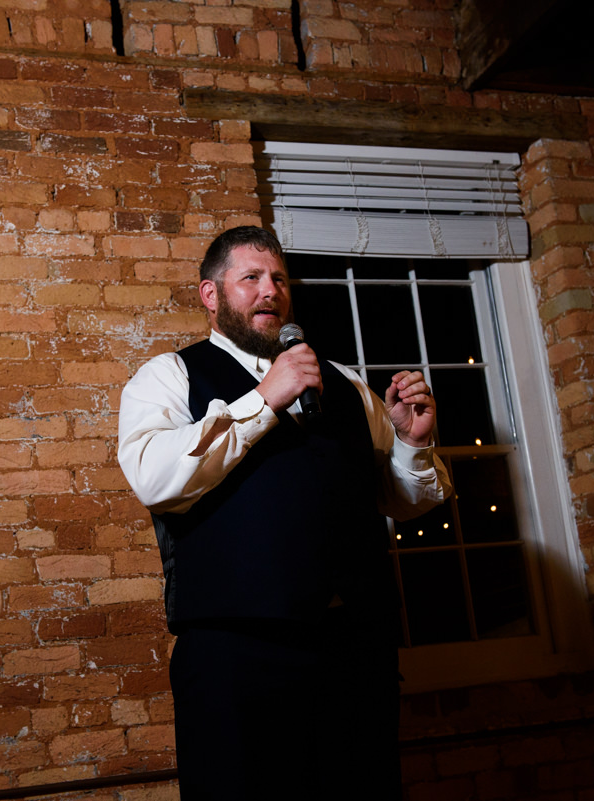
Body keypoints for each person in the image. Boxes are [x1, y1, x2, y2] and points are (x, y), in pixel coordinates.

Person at [117, 226, 452, 800]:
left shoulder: (343, 383)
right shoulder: (169, 376)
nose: (269, 291)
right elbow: (154, 478)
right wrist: (264, 399)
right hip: (236, 660)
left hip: (352, 653)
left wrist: (412, 444)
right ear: (211, 294)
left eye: (278, 279)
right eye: (250, 278)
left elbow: (403, 500)